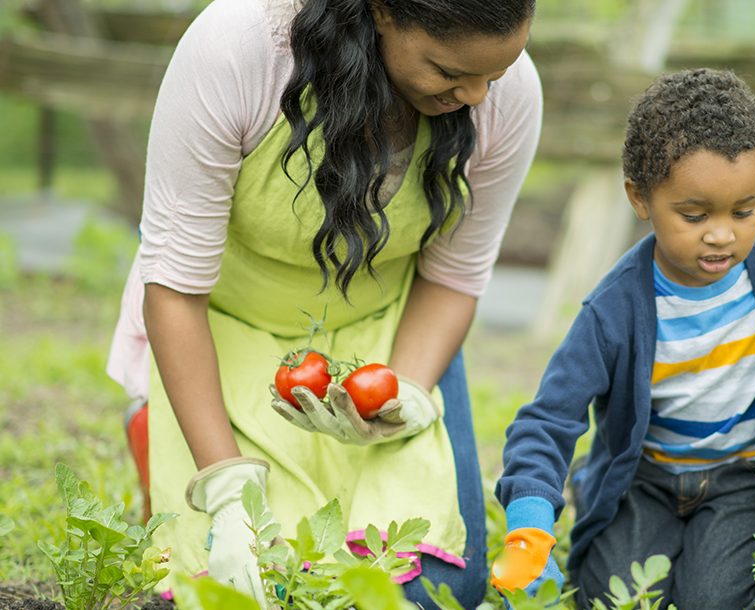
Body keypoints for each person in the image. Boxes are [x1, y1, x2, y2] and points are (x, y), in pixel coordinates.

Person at [104, 0, 542, 607]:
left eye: (492, 76)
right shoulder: (240, 49)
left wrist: (408, 391)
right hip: (221, 329)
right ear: (382, 11)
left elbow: (454, 277)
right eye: (447, 72)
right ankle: (160, 423)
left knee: (432, 593)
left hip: (387, 338)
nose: (474, 97)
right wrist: (227, 490)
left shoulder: (509, 94)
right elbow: (176, 287)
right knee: (252, 587)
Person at [488, 68, 755, 609]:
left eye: (745, 210)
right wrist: (529, 528)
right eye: (694, 214)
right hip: (645, 482)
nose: (723, 234)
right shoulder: (614, 311)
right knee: (615, 599)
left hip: (744, 477)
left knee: (714, 599)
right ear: (640, 198)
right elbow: (549, 420)